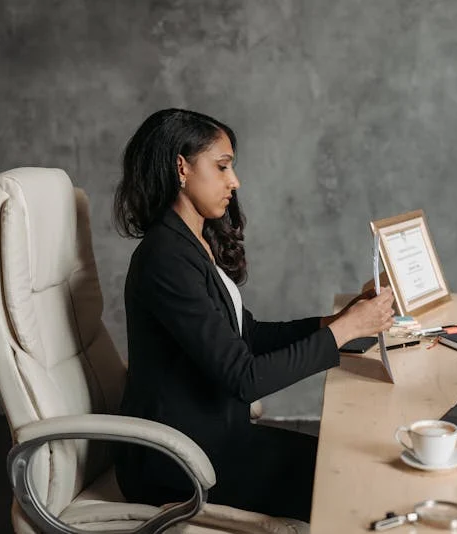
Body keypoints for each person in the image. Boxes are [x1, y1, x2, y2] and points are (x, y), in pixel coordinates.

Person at [112, 108, 395, 521]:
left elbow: (249, 334)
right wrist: (344, 332)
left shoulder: (192, 242)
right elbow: (245, 377)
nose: (235, 181)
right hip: (179, 462)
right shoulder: (165, 258)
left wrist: (337, 322)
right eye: (222, 166)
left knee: (352, 464)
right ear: (181, 167)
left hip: (215, 437)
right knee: (348, 478)